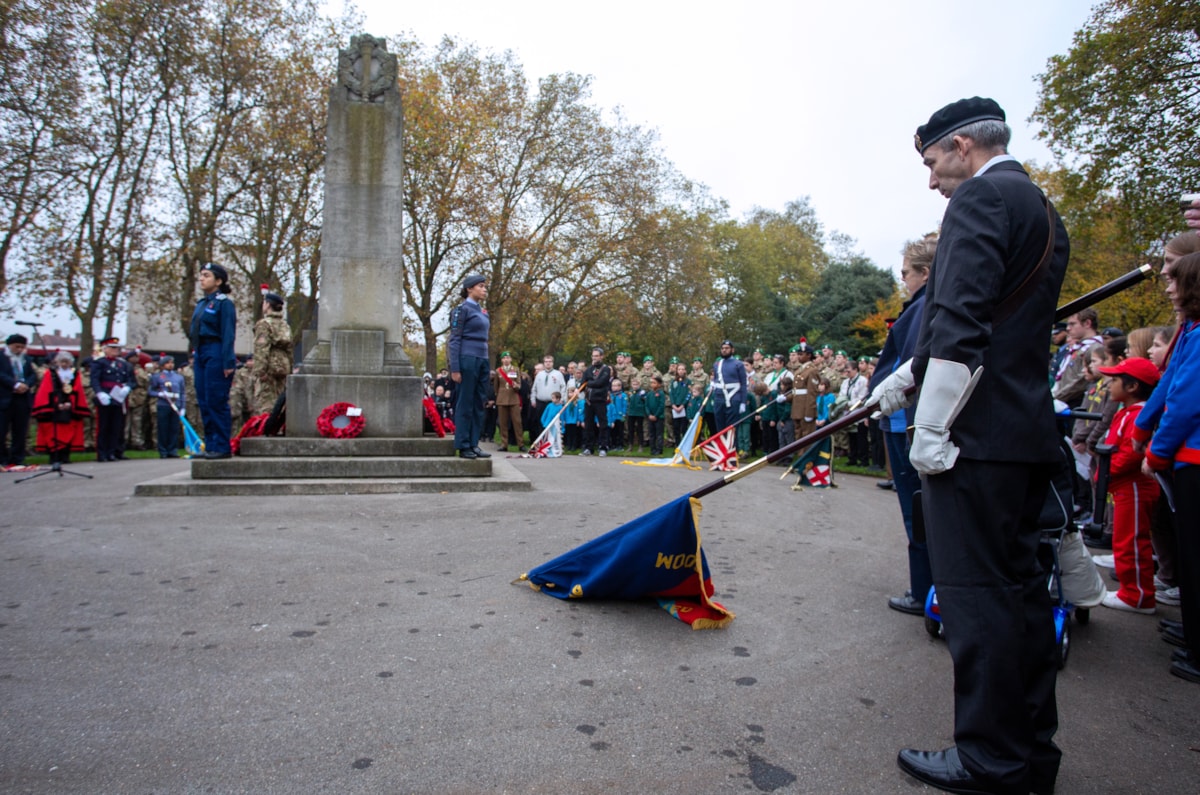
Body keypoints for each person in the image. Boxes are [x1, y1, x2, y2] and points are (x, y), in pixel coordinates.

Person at [871, 97, 1070, 795]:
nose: (931, 180)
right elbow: (1002, 318)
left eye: (932, 163)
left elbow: (960, 316)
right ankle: (1030, 753)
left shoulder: (980, 199)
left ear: (961, 146)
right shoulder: (1040, 206)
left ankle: (990, 759)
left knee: (977, 602)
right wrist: (910, 371)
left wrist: (931, 424)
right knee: (1021, 599)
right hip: (1021, 432)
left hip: (974, 437)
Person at [1134, 252, 1200, 683]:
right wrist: (1144, 427)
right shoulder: (1190, 329)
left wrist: (1156, 449)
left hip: (1192, 455)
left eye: (1175, 279)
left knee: (1194, 553)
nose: (1168, 286)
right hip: (1184, 454)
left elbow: (1186, 399)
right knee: (1187, 550)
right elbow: (1170, 386)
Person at [870, 235, 936, 616]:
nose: (903, 279)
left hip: (904, 423)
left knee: (918, 511)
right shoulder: (921, 307)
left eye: (906, 272)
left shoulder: (924, 307)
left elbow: (910, 366)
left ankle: (924, 588)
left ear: (925, 273)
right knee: (919, 510)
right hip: (898, 420)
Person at [1093, 357, 1161, 614]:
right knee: (1124, 540)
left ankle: (1137, 596)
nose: (1109, 384)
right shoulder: (1128, 412)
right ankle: (1131, 590)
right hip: (1124, 487)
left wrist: (1106, 472)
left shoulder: (1138, 415)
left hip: (1133, 487)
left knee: (1131, 542)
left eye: (1115, 380)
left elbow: (1131, 454)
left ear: (1132, 386)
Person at [189, 263, 238, 459]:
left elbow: (228, 333)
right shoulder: (202, 303)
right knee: (203, 400)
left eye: (206, 275)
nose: (201, 278)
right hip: (201, 351)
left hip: (216, 350)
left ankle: (221, 446)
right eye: (201, 275)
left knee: (216, 399)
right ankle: (210, 445)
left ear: (218, 281)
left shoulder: (224, 303)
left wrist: (227, 361)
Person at [447, 274, 491, 460]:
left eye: (485, 286)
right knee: (465, 403)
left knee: (478, 403)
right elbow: (454, 339)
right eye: (480, 286)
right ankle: (463, 444)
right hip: (467, 358)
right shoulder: (461, 310)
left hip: (482, 358)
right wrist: (455, 367)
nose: (484, 289)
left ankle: (474, 443)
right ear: (469, 288)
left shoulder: (483, 311)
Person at [30, 350, 89, 465]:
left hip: (69, 408)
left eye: (67, 362)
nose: (64, 364)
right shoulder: (51, 373)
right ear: (57, 362)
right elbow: (47, 389)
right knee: (53, 433)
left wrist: (71, 403)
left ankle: (65, 456)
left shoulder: (74, 374)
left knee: (69, 432)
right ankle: (54, 457)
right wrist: (56, 403)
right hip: (53, 409)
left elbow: (77, 390)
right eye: (62, 362)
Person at [90, 338, 134, 462]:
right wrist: (99, 392)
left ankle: (112, 452)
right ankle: (102, 453)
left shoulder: (122, 364)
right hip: (105, 397)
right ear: (105, 349)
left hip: (118, 398)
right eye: (113, 348)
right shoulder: (99, 363)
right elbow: (95, 379)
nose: (116, 350)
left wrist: (127, 387)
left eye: (117, 348)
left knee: (116, 427)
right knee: (104, 426)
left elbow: (130, 379)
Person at [253, 291, 292, 415]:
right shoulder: (285, 326)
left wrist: (260, 371)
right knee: (280, 401)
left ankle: (267, 423)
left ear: (268, 304)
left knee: (266, 403)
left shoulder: (264, 324)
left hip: (269, 366)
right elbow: (289, 349)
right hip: (283, 365)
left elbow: (261, 348)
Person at [2, 333, 38, 468]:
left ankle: (17, 458)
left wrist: (26, 384)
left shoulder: (26, 359)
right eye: (17, 347)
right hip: (5, 397)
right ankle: (2, 458)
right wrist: (14, 384)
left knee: (20, 430)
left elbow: (32, 375)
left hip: (22, 398)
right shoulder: (2, 357)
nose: (19, 350)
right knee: (2, 429)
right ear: (9, 345)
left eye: (22, 347)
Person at [577, 347, 613, 457]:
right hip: (589, 401)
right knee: (588, 424)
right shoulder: (588, 370)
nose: (594, 358)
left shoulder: (606, 369)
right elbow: (583, 383)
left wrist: (589, 383)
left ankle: (603, 447)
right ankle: (588, 447)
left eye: (597, 356)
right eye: (593, 356)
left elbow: (600, 382)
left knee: (602, 424)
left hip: (600, 400)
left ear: (601, 356)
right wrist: (582, 386)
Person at [148, 356, 185, 458]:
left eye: (172, 363)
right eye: (167, 363)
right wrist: (159, 394)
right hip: (163, 404)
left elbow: (182, 393)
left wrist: (183, 407)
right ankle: (163, 450)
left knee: (174, 429)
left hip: (176, 405)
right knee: (163, 428)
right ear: (162, 365)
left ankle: (172, 450)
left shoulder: (179, 377)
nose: (170, 365)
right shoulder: (157, 376)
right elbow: (151, 391)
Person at [710, 340, 747, 436]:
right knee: (720, 430)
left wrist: (743, 402)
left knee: (731, 430)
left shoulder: (738, 364)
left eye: (727, 348)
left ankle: (732, 446)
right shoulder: (717, 364)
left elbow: (743, 384)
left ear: (732, 350)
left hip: (734, 399)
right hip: (719, 399)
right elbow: (716, 380)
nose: (724, 350)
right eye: (722, 348)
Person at [492, 351, 524, 451]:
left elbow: (519, 384)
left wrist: (516, 386)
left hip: (513, 398)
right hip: (502, 399)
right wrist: (497, 396)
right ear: (502, 360)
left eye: (508, 358)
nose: (506, 360)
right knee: (503, 423)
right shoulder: (498, 371)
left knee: (517, 422)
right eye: (504, 358)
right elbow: (496, 386)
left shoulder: (515, 369)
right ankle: (504, 444)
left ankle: (520, 444)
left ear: (510, 359)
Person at [539, 391, 565, 458]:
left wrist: (562, 428)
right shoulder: (549, 405)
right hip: (547, 425)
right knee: (546, 438)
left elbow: (561, 418)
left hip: (555, 427)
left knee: (553, 439)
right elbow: (544, 414)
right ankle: (545, 450)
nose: (552, 399)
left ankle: (554, 450)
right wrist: (543, 422)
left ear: (558, 399)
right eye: (552, 398)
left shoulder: (560, 407)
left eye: (554, 398)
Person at [644, 376, 665, 456]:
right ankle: (652, 449)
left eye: (654, 383)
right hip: (650, 417)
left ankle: (659, 449)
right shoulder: (649, 394)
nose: (652, 384)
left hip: (659, 417)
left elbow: (661, 405)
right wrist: (649, 414)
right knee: (651, 434)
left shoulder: (661, 393)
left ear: (659, 384)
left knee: (659, 434)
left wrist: (656, 415)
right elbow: (646, 405)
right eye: (651, 383)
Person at [607, 379, 627, 451]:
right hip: (613, 417)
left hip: (620, 416)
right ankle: (613, 444)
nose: (613, 387)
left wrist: (624, 414)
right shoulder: (611, 395)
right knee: (613, 431)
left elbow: (624, 405)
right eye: (612, 386)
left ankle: (620, 445)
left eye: (615, 386)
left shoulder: (623, 395)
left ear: (620, 387)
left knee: (620, 431)